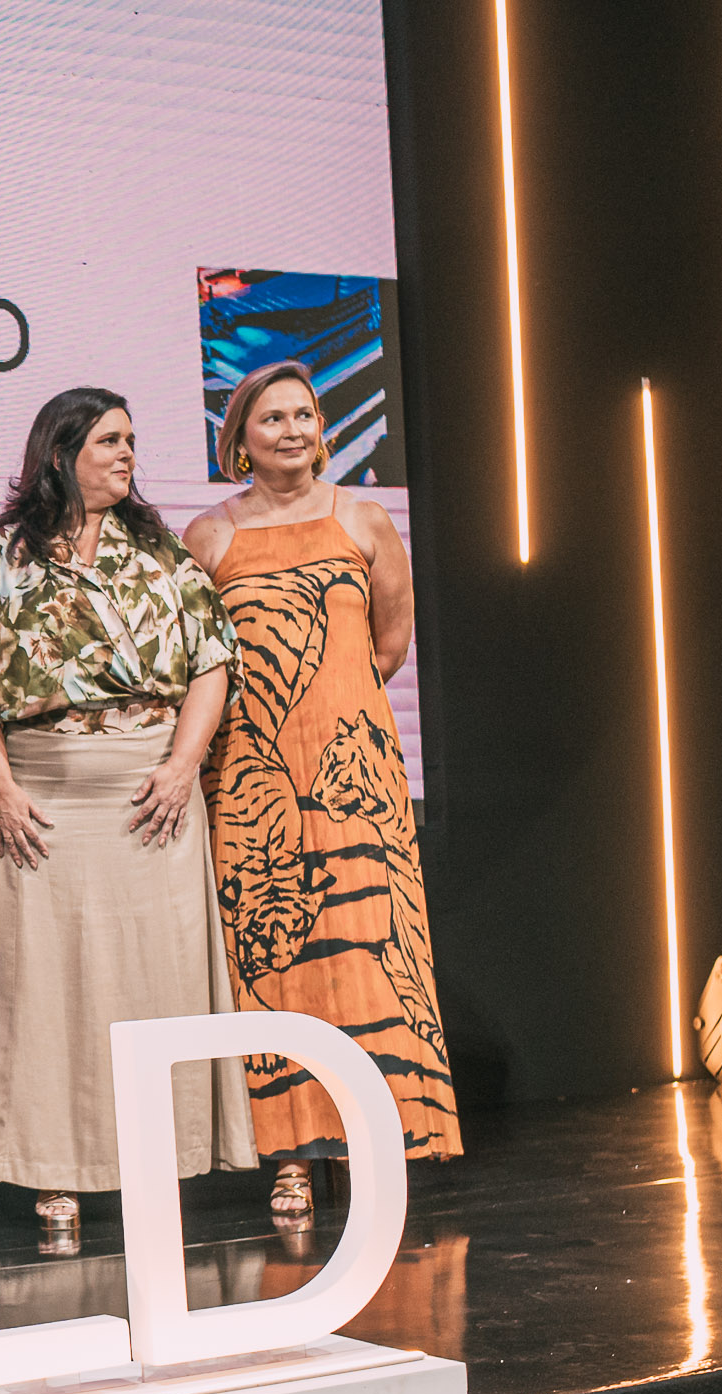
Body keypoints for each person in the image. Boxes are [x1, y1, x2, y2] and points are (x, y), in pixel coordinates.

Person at [0, 387, 255, 1254]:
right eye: (109, 440)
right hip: (41, 805)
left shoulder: (161, 552)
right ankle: (52, 1175)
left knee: (158, 982)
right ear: (61, 454)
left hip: (151, 801)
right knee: (45, 992)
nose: (127, 454)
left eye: (131, 439)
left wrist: (183, 765)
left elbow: (212, 663)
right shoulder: (4, 559)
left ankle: (167, 1159)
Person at [184, 359, 462, 1226]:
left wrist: (331, 714)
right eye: (272, 418)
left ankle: (384, 1141)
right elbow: (196, 664)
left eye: (303, 415)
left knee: (373, 952)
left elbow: (389, 645)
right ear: (240, 438)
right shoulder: (208, 537)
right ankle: (292, 1159)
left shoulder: (364, 519)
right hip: (252, 781)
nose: (293, 430)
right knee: (276, 965)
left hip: (354, 778)